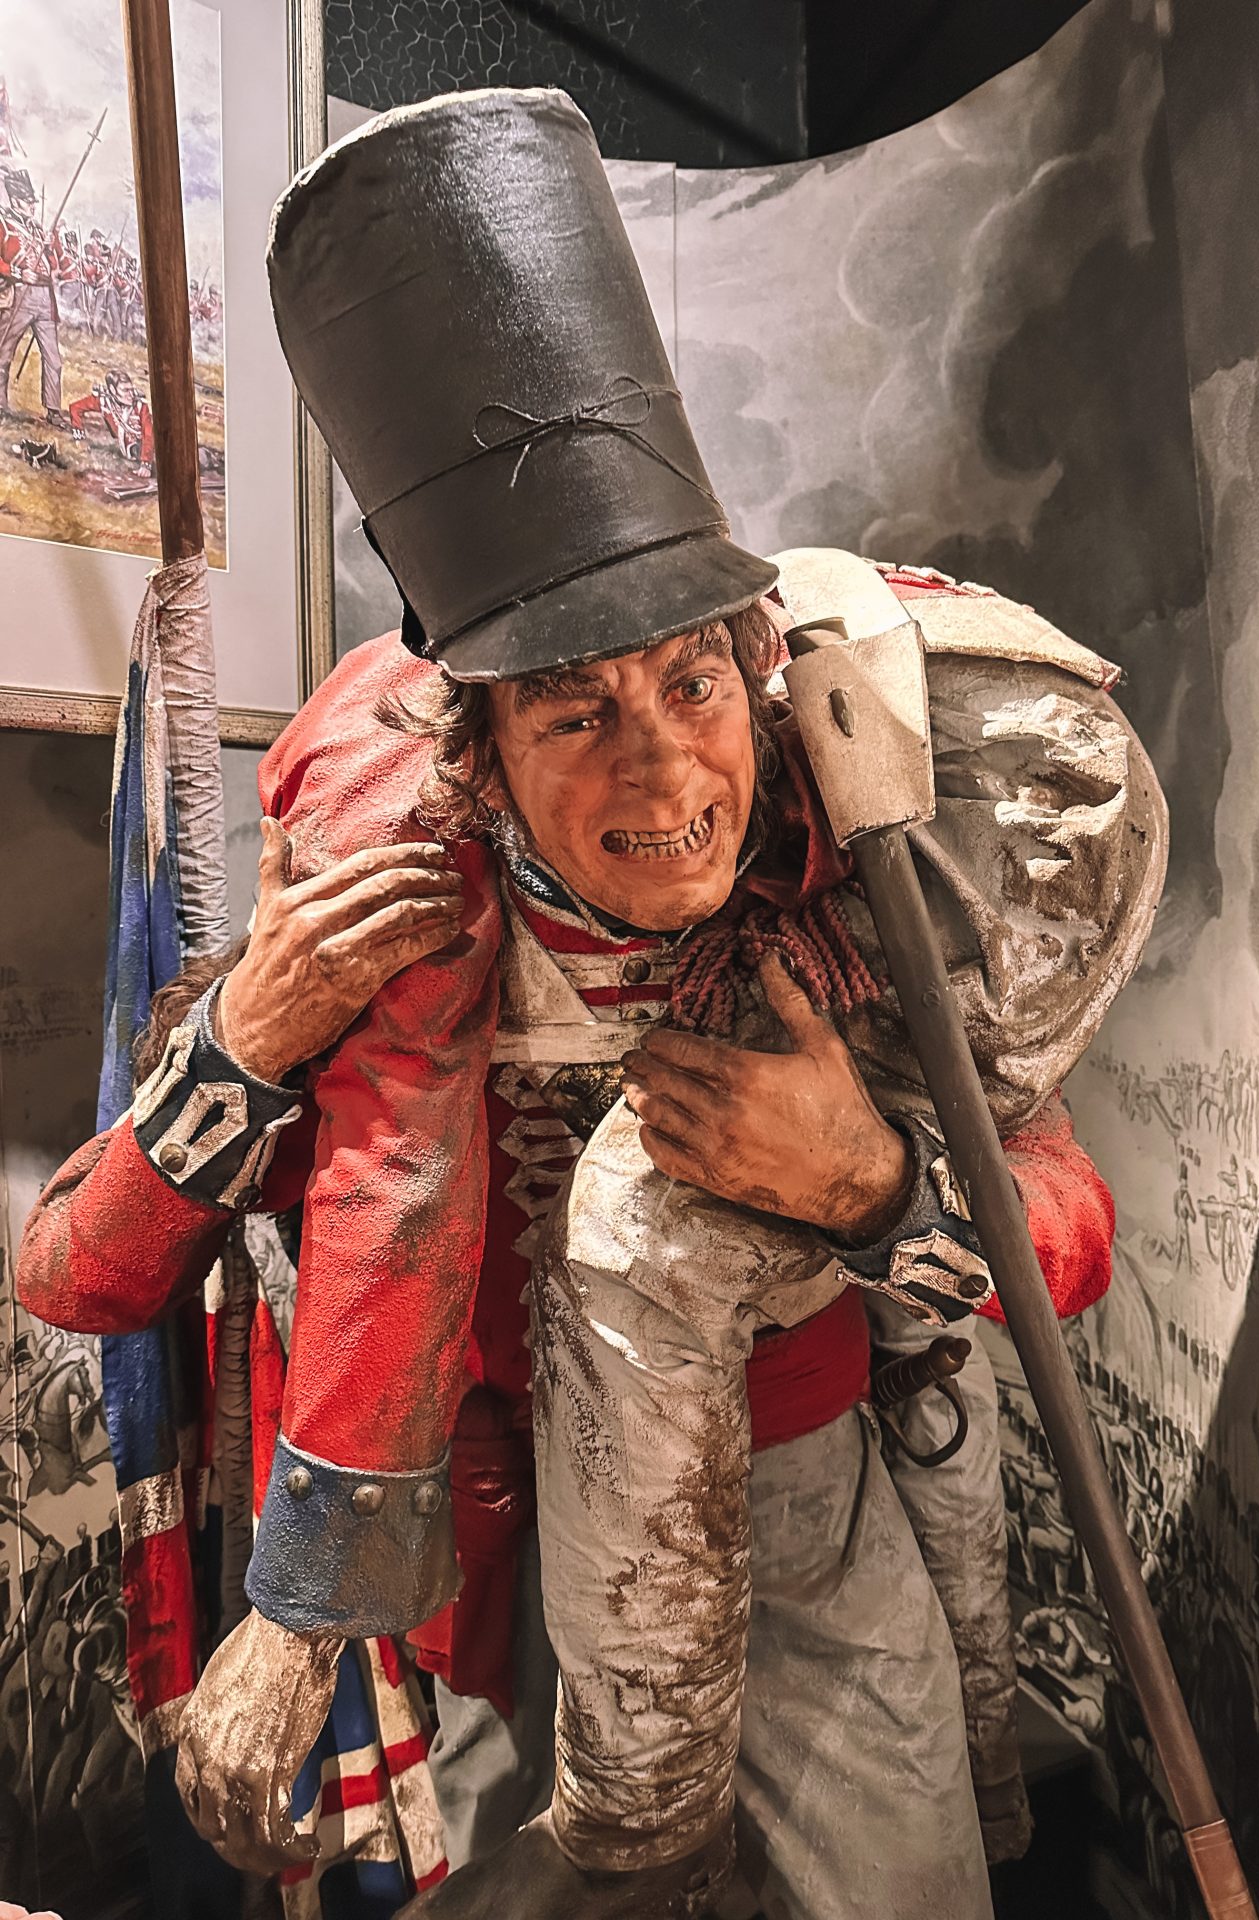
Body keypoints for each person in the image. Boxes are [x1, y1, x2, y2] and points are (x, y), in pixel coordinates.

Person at [20, 89, 1162, 1920]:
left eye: (692, 688)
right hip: (474, 1541)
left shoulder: (845, 852)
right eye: (574, 715)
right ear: (477, 748)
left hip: (797, 1499)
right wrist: (249, 1040)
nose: (664, 772)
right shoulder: (385, 909)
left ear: (757, 674)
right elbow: (82, 1270)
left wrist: (873, 1183)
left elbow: (1068, 1220)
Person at [0, 167, 75, 422]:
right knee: (4, 350)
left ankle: (53, 410)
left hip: (45, 296)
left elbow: (52, 266)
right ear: (15, 200)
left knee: (53, 357)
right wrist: (18, 273)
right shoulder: (3, 224)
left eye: (33, 202)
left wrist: (49, 245)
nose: (32, 206)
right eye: (28, 202)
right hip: (20, 293)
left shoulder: (37, 229)